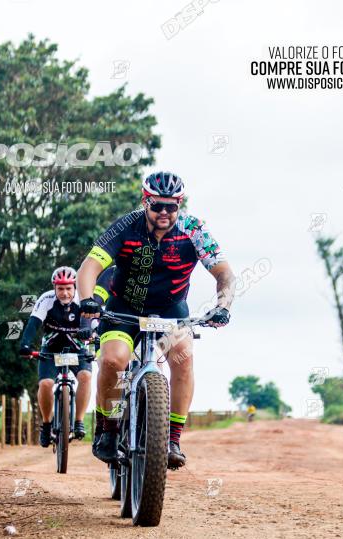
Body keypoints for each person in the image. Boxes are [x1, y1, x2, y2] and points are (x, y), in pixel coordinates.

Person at [76, 170, 235, 469]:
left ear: (180, 204)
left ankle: (172, 439)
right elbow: (90, 267)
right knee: (113, 361)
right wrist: (88, 300)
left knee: (183, 358)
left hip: (170, 309)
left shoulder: (193, 230)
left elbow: (224, 273)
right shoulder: (126, 225)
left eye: (172, 206)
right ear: (145, 201)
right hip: (124, 307)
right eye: (157, 205)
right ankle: (108, 431)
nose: (164, 212)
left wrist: (223, 305)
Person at [18, 266, 105, 447]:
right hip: (51, 348)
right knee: (46, 383)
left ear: (75, 287)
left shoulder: (85, 300)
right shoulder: (46, 299)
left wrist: (97, 342)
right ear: (54, 288)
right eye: (60, 289)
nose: (65, 293)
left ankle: (79, 420)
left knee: (86, 376)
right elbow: (33, 324)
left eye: (68, 288)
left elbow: (98, 326)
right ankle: (47, 424)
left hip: (78, 348)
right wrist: (25, 344)